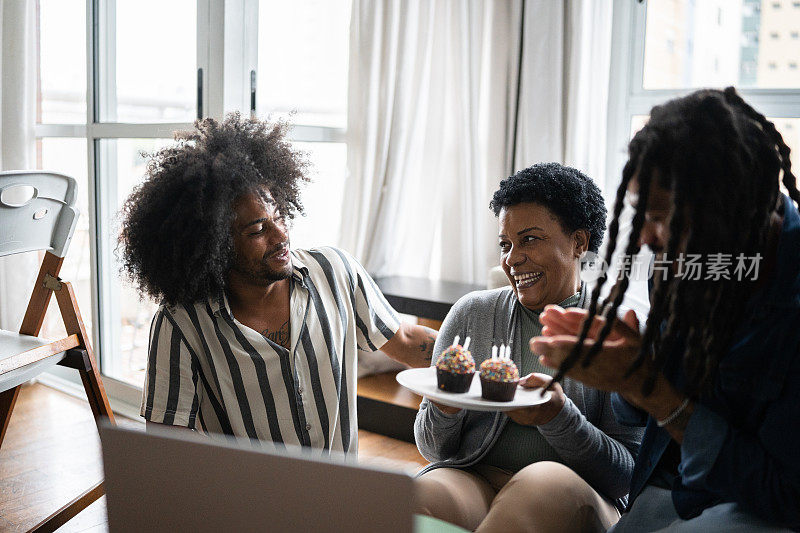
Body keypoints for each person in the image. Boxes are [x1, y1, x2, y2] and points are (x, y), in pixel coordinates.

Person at [533, 88, 800, 531]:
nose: (644, 239)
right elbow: (642, 416)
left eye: (661, 217)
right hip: (669, 492)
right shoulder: (680, 265)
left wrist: (648, 386)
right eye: (642, 213)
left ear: (727, 210)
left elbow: (784, 494)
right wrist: (629, 368)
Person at [119, 113, 437, 453]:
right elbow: (168, 441)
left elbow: (403, 338)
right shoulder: (181, 324)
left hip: (341, 495)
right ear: (214, 245)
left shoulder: (335, 272)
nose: (281, 234)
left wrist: (482, 362)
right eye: (257, 229)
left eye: (280, 216)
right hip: (248, 502)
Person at [414, 163, 644, 533]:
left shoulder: (615, 332)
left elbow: (627, 476)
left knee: (537, 489)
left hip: (577, 490)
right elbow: (434, 450)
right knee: (420, 494)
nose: (511, 258)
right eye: (506, 244)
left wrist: (558, 419)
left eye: (530, 240)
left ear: (578, 243)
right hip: (476, 477)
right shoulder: (471, 314)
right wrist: (445, 407)